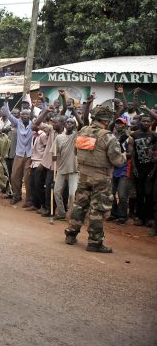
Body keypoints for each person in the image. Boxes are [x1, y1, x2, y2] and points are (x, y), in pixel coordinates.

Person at [64, 105, 126, 252]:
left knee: (79, 205)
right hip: (101, 179)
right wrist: (124, 156)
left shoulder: (82, 132)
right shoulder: (107, 136)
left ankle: (71, 235)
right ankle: (95, 242)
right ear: (106, 120)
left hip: (84, 175)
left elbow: (75, 151)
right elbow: (117, 161)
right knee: (97, 209)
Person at [3, 93, 46, 205]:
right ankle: (17, 196)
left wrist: (43, 101)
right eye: (23, 115)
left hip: (29, 155)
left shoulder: (33, 124)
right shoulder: (17, 123)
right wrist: (6, 100)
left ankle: (29, 199)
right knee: (14, 177)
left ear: (30, 116)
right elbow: (7, 113)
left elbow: (44, 114)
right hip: (19, 154)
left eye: (27, 114)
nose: (25, 116)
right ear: (20, 116)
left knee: (27, 179)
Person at [128, 114, 157, 226]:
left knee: (149, 194)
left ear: (151, 123)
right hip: (138, 169)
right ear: (140, 122)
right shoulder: (133, 135)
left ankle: (149, 218)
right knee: (139, 193)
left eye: (148, 121)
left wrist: (154, 170)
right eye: (143, 121)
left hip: (150, 169)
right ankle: (140, 217)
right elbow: (132, 154)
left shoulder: (154, 135)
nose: (146, 123)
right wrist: (134, 168)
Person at [51, 117, 79, 220]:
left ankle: (71, 214)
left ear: (74, 126)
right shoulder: (59, 137)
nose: (69, 124)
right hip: (61, 169)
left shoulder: (76, 135)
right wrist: (54, 156)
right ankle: (61, 213)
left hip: (73, 170)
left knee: (72, 193)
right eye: (67, 122)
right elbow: (54, 152)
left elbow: (82, 123)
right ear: (64, 125)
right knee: (57, 191)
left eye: (72, 123)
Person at [107, 118, 131, 224]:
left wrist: (119, 154)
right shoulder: (111, 137)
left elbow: (130, 154)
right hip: (112, 169)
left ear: (125, 126)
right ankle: (113, 213)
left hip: (124, 169)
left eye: (121, 124)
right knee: (110, 194)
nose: (118, 125)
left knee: (122, 195)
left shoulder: (128, 139)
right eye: (117, 123)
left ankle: (122, 215)